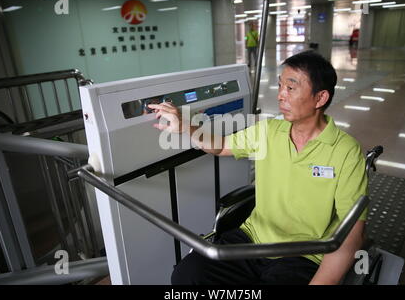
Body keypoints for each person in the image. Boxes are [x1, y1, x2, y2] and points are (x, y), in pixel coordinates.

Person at [148, 50, 368, 285]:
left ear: (320, 98)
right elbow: (221, 146)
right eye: (280, 85)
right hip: (253, 239)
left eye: (291, 88)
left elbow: (353, 232)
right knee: (187, 276)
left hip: (303, 254)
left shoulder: (346, 152)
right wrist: (186, 127)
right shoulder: (269, 131)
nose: (280, 95)